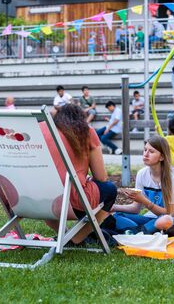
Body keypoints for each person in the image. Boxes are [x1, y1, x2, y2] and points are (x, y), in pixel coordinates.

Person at [40, 104, 117, 244]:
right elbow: (101, 177)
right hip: (73, 202)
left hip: (38, 198)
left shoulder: (40, 129)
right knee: (110, 189)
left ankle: (64, 235)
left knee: (50, 186)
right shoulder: (86, 131)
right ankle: (76, 238)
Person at [111, 136, 174, 236]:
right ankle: (139, 232)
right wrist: (113, 207)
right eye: (145, 150)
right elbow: (135, 208)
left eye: (151, 152)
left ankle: (134, 232)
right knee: (116, 215)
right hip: (151, 219)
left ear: (161, 157)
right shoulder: (142, 174)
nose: (146, 154)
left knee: (165, 220)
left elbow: (169, 213)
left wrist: (144, 201)